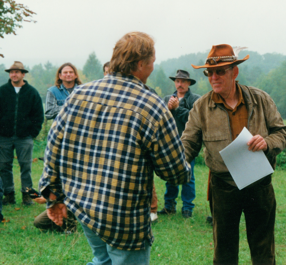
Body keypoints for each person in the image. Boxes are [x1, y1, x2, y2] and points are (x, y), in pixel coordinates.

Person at [40, 32, 191, 265]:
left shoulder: (79, 95)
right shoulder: (151, 105)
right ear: (141, 64)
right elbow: (176, 173)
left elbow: (53, 146)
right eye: (153, 60)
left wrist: (53, 196)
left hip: (83, 207)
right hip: (124, 218)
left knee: (102, 260)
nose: (154, 65)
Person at [183, 44, 286, 264]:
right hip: (223, 188)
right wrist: (170, 164)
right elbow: (187, 146)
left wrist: (267, 142)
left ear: (235, 72)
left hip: (260, 186)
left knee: (263, 253)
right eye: (210, 72)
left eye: (220, 71)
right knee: (224, 254)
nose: (214, 77)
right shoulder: (200, 108)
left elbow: (281, 133)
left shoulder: (261, 99)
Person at [0, 61, 44, 206]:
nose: (13, 74)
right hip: (3, 137)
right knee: (4, 167)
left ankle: (28, 196)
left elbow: (38, 116)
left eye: (17, 72)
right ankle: (8, 195)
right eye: (11, 72)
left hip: (25, 137)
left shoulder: (32, 92)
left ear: (23, 74)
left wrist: (32, 133)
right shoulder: (1, 91)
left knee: (26, 167)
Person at [157, 69, 201, 219]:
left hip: (189, 143)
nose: (180, 84)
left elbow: (193, 119)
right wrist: (168, 110)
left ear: (189, 83)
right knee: (171, 175)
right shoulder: (167, 98)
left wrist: (177, 108)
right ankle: (169, 206)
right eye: (177, 81)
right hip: (170, 143)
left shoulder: (195, 99)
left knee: (188, 175)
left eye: (183, 81)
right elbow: (159, 119)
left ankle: (187, 208)